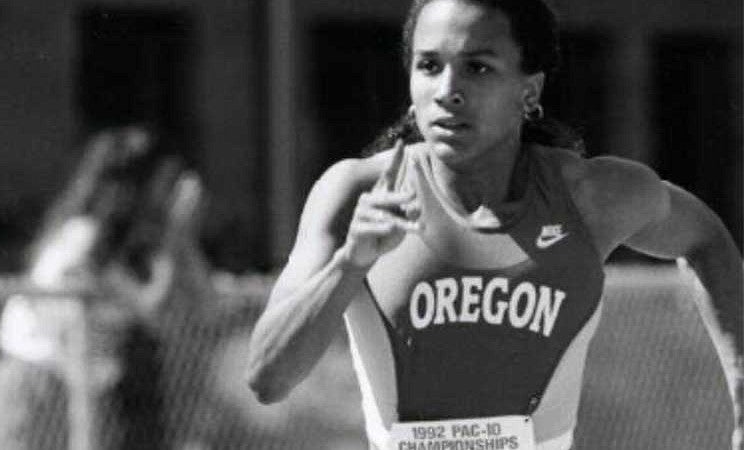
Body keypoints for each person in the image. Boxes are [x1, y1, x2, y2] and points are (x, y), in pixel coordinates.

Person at [246, 0, 743, 449]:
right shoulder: (357, 193)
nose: (447, 91)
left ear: (529, 90)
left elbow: (705, 238)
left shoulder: (590, 197)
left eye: (477, 68)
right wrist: (349, 263)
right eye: (429, 66)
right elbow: (268, 379)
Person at [0, 125, 210, 450]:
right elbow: (149, 308)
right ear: (134, 188)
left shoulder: (131, 249)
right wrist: (175, 232)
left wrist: (180, 238)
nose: (170, 195)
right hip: (33, 390)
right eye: (166, 183)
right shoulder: (82, 239)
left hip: (78, 394)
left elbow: (204, 304)